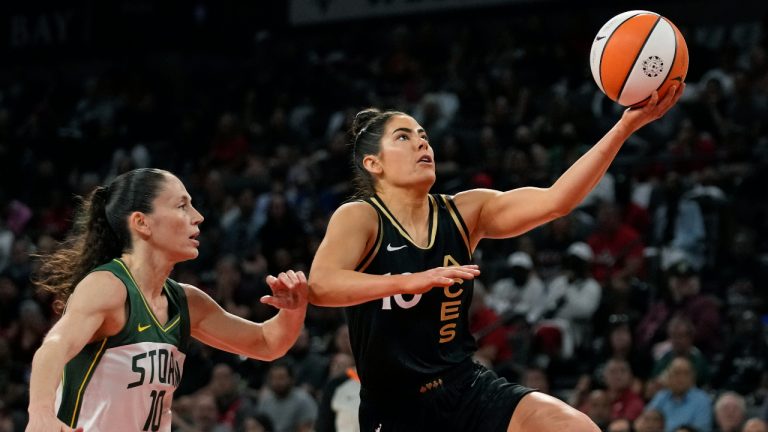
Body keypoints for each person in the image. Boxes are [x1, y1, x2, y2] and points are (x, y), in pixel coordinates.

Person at [308, 84, 684, 431]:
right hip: (395, 408)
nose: (422, 144)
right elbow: (322, 285)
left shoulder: (465, 211)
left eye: (423, 136)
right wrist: (407, 280)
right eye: (403, 137)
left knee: (574, 426)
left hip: (465, 387)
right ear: (374, 164)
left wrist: (624, 126)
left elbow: (557, 200)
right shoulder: (361, 216)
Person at [25, 168, 309, 432]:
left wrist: (293, 309)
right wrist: (40, 412)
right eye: (182, 206)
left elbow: (267, 343)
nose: (198, 216)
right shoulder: (108, 286)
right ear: (142, 222)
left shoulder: (186, 301)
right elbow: (55, 346)